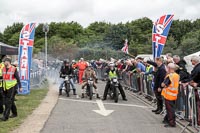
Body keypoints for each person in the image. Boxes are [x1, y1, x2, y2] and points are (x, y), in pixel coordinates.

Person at [0, 57, 22, 121]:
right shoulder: (3, 69)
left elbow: (18, 78)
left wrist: (20, 87)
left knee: (7, 102)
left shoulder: (13, 69)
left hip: (12, 87)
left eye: (4, 62)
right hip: (5, 86)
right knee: (11, 101)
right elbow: (3, 76)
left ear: (8, 62)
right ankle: (15, 113)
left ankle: (5, 116)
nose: (4, 63)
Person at [161, 63, 180, 127]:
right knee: (171, 109)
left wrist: (162, 84)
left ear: (169, 68)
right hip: (174, 94)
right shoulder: (176, 75)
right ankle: (166, 119)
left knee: (170, 110)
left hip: (168, 95)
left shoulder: (170, 76)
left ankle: (171, 123)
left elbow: (163, 85)